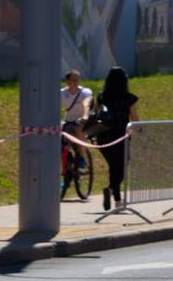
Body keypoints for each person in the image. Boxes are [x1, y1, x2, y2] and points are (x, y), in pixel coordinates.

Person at [94, 65, 140, 211]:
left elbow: (95, 114)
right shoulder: (129, 98)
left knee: (114, 167)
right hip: (121, 137)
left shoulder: (101, 96)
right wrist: (139, 131)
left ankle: (117, 200)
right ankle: (111, 190)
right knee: (121, 168)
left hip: (103, 137)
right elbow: (135, 119)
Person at [59, 69, 93, 176]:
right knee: (59, 142)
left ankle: (82, 158)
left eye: (77, 80)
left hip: (83, 120)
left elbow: (86, 103)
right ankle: (64, 169)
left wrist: (85, 115)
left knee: (78, 128)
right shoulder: (62, 93)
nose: (76, 82)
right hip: (69, 121)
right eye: (73, 80)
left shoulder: (85, 92)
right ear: (67, 81)